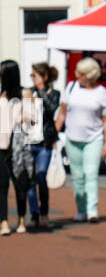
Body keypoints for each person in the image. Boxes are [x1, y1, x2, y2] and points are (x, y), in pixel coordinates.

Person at [55, 58, 106, 224]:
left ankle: (92, 210)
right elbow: (62, 111)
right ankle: (81, 210)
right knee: (77, 176)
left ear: (90, 75)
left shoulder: (101, 92)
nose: (76, 75)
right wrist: (55, 131)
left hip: (94, 139)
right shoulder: (71, 87)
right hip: (72, 138)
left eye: (80, 73)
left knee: (91, 174)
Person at [0, 59, 40, 235]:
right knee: (1, 186)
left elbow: (33, 119)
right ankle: (4, 222)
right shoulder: (0, 95)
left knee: (19, 184)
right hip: (0, 145)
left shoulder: (25, 94)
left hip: (17, 147)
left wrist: (22, 118)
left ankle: (22, 219)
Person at [26, 62, 61, 230]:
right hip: (29, 141)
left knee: (41, 178)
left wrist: (41, 92)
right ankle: (34, 214)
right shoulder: (28, 92)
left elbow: (51, 109)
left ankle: (44, 212)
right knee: (29, 181)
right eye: (31, 76)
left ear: (44, 78)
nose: (32, 79)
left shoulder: (54, 93)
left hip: (45, 143)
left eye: (35, 76)